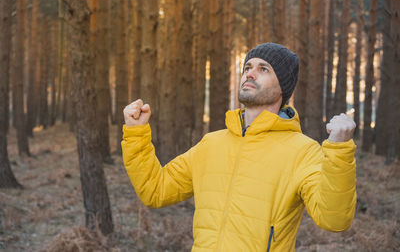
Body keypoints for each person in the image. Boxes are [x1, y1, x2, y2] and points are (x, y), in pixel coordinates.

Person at [121, 43, 357, 252]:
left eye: (263, 69)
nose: (250, 74)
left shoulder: (303, 151)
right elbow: (155, 190)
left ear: (283, 86)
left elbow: (333, 219)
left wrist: (339, 151)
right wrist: (136, 133)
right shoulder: (211, 144)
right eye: (247, 67)